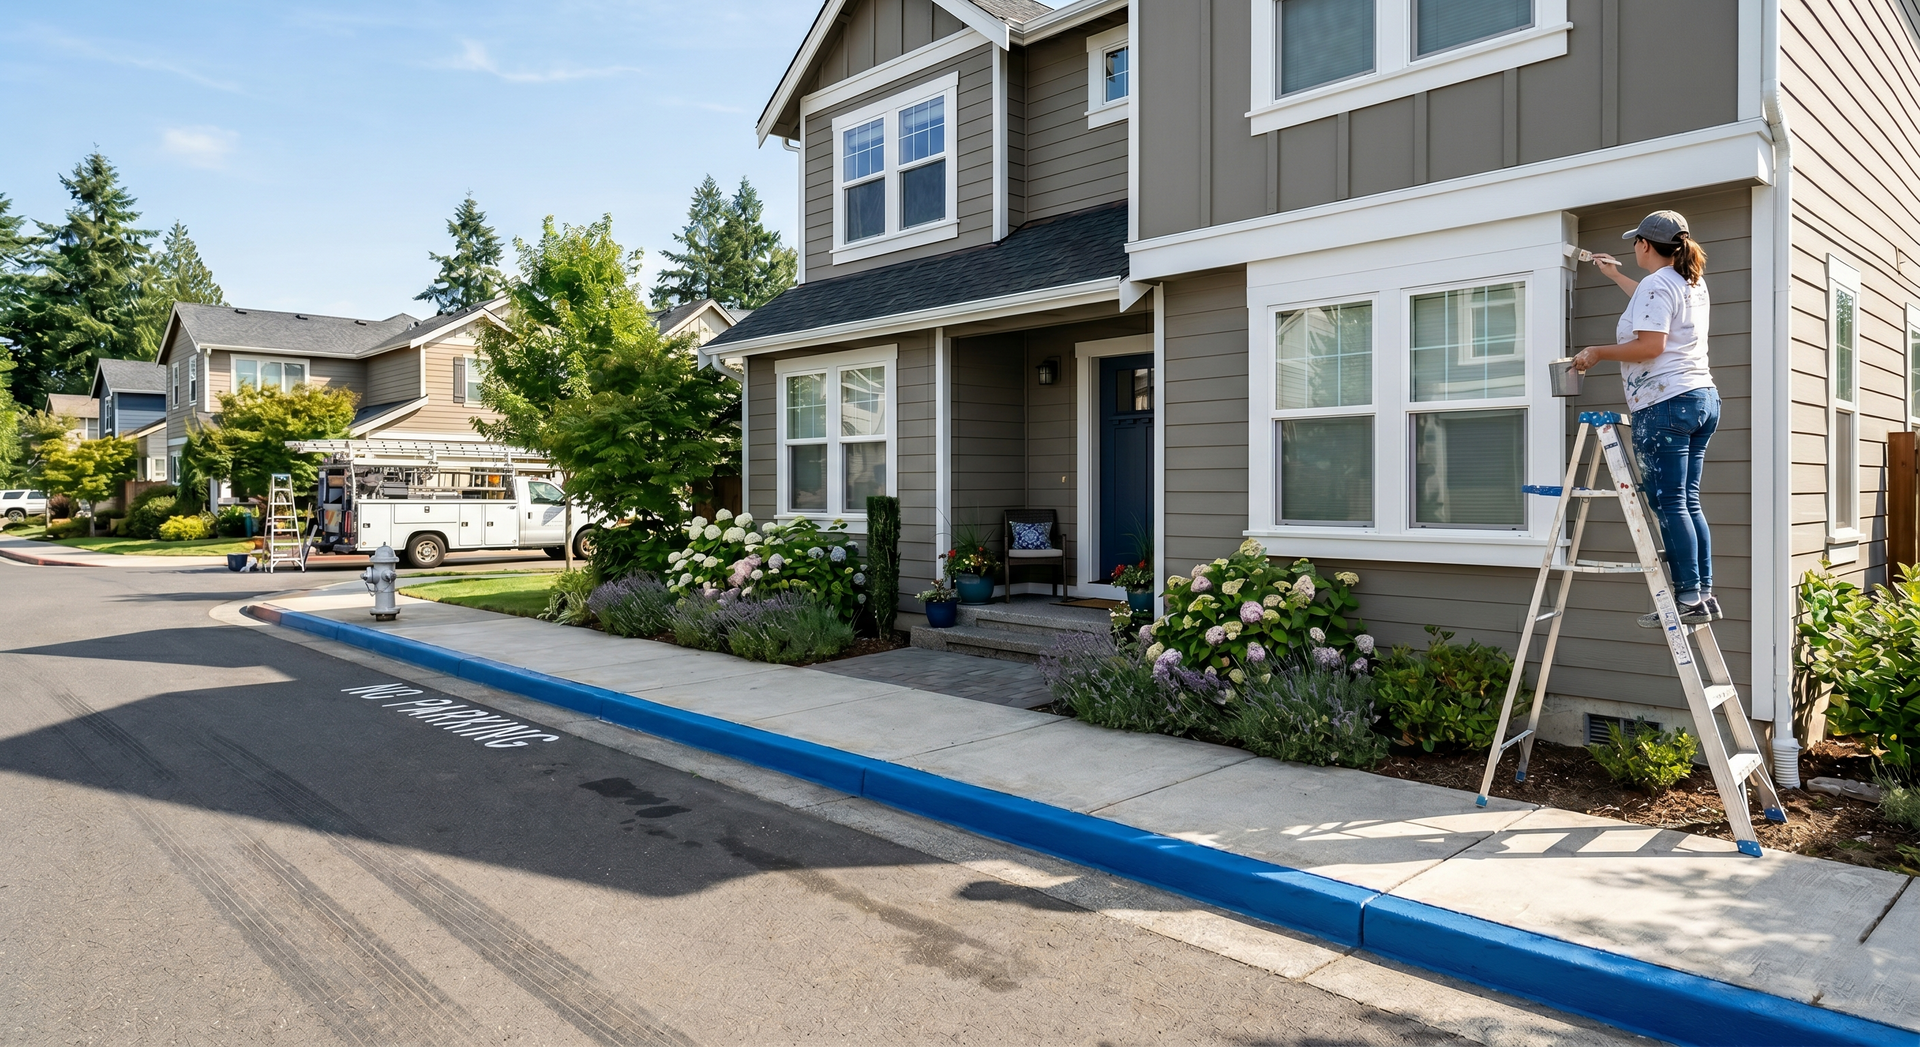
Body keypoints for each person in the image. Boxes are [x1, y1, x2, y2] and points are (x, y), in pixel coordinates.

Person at [1572, 210, 1719, 627]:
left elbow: (1651, 345)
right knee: (1686, 500)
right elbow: (1653, 304)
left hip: (1666, 402)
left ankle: (1688, 599)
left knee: (1669, 502)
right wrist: (1617, 277)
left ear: (1645, 245)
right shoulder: (1687, 280)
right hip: (1701, 399)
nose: (1632, 247)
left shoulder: (1658, 285)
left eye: (1635, 241)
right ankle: (1702, 594)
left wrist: (1597, 352)